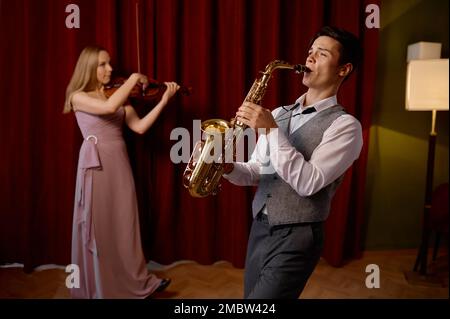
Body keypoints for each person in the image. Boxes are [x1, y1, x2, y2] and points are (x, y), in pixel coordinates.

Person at [223, 26, 363, 298]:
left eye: (321, 54)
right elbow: (255, 172)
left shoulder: (346, 126)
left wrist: (271, 131)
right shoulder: (278, 113)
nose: (309, 59)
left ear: (344, 69)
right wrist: (226, 166)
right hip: (260, 228)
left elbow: (308, 183)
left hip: (298, 236)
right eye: (310, 52)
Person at [63, 45, 179, 298]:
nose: (110, 69)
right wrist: (135, 78)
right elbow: (106, 109)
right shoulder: (77, 96)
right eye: (103, 64)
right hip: (96, 165)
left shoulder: (116, 94)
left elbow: (138, 127)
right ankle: (102, 286)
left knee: (125, 222)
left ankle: (135, 281)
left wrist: (163, 101)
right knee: (100, 226)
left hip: (119, 163)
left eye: (110, 63)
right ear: (88, 67)